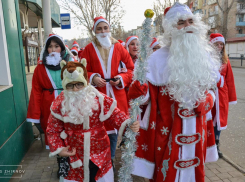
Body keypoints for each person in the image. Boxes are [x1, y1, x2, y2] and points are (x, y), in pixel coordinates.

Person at [127, 3, 221, 182]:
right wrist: (139, 90)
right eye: (181, 22)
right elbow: (145, 99)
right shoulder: (155, 60)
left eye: (191, 21)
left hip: (197, 133)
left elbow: (212, 90)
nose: (188, 26)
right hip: (167, 134)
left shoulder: (204, 56)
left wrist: (208, 100)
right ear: (171, 29)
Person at [46, 60, 140, 182]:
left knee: (99, 178)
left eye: (79, 84)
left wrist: (128, 123)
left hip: (99, 150)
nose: (75, 90)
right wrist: (59, 148)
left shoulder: (97, 97)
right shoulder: (60, 103)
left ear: (85, 81)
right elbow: (52, 129)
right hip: (74, 152)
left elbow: (114, 114)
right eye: (70, 85)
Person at [81, 16, 134, 165]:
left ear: (109, 29)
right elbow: (82, 71)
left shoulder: (119, 47)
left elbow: (130, 69)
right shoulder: (88, 49)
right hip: (98, 96)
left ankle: (117, 160)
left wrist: (121, 79)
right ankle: (105, 161)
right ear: (94, 31)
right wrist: (93, 78)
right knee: (103, 130)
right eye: (99, 28)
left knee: (120, 128)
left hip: (117, 95)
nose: (103, 32)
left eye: (105, 28)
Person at [27, 34, 74, 149]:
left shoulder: (71, 64)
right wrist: (35, 115)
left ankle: (71, 161)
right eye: (50, 46)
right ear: (46, 49)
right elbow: (36, 92)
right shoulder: (40, 68)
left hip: (69, 104)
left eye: (56, 46)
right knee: (54, 135)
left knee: (71, 133)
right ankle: (60, 161)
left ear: (62, 48)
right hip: (49, 106)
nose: (53, 49)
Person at [210, 33, 237, 158]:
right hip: (210, 95)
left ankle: (216, 144)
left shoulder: (225, 60)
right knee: (209, 121)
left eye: (222, 44)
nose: (220, 46)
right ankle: (207, 145)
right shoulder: (205, 58)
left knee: (219, 122)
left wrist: (231, 98)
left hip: (221, 95)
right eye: (217, 44)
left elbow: (229, 79)